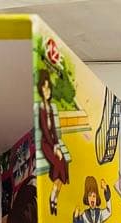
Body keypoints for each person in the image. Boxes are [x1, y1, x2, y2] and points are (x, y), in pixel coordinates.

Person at [37, 69, 69, 215]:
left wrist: (57, 145)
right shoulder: (41, 109)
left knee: (63, 163)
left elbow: (54, 131)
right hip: (46, 144)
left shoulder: (50, 108)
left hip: (53, 143)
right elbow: (45, 131)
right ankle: (52, 197)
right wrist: (54, 147)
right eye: (44, 88)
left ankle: (54, 198)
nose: (47, 91)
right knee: (58, 164)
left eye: (48, 88)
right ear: (41, 89)